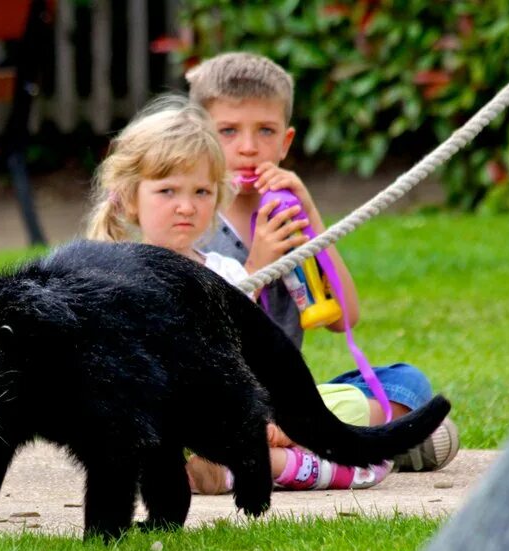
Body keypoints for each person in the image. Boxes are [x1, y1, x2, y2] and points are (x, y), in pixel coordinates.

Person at [86, 96, 397, 493]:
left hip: (237, 411)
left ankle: (252, 463)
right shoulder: (114, 276)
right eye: (167, 191)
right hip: (164, 422)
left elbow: (250, 360)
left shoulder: (226, 272)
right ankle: (273, 463)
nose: (186, 206)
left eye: (201, 192)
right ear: (131, 198)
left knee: (347, 405)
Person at [183, 53, 460, 489]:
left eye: (266, 131)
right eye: (229, 131)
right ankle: (341, 444)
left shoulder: (288, 213)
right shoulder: (196, 220)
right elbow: (202, 337)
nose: (249, 147)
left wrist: (312, 215)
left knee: (407, 382)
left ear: (286, 141)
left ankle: (292, 441)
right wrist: (255, 266)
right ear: (200, 137)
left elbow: (344, 318)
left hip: (288, 398)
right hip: (223, 395)